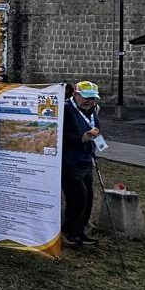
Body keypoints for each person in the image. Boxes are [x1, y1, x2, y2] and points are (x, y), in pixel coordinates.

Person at [62, 80, 103, 247]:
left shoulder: (93, 110)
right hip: (69, 161)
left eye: (93, 98)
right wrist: (81, 138)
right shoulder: (66, 109)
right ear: (75, 95)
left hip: (86, 159)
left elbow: (97, 128)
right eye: (86, 97)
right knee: (78, 198)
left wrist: (95, 135)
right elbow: (60, 135)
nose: (90, 101)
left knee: (89, 198)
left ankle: (80, 231)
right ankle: (69, 231)